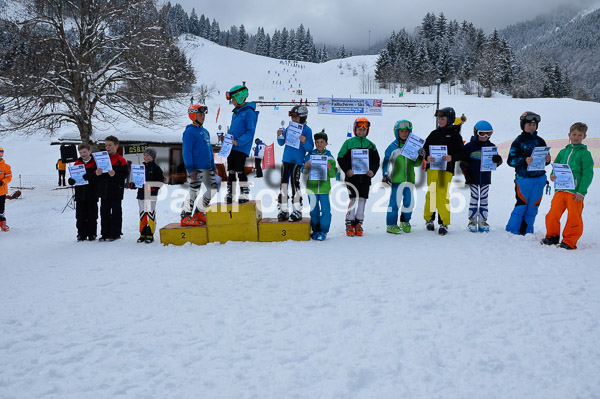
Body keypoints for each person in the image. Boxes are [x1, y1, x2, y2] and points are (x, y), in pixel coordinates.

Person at [541, 122, 594, 249]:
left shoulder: (585, 154)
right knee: (553, 214)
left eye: (579, 135)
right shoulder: (563, 152)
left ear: (584, 136)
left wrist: (581, 191)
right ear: (569, 135)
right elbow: (556, 166)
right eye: (574, 134)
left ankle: (569, 241)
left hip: (574, 192)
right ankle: (552, 236)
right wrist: (553, 175)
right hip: (560, 190)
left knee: (574, 216)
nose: (576, 137)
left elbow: (588, 174)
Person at [506, 111, 551, 235]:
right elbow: (510, 161)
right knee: (521, 205)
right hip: (524, 178)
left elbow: (545, 159)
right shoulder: (518, 141)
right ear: (523, 125)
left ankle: (527, 230)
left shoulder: (540, 141)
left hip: (539, 178)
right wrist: (524, 161)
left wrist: (547, 160)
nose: (532, 127)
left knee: (533, 206)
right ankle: (513, 230)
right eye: (529, 124)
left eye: (534, 124)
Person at [423, 107, 465, 235]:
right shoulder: (434, 134)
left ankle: (443, 222)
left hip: (446, 169)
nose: (440, 121)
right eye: (439, 118)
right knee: (432, 193)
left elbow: (462, 153)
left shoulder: (455, 135)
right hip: (433, 168)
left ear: (450, 119)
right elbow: (424, 149)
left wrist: (452, 157)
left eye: (442, 118)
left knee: (442, 194)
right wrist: (426, 157)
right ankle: (429, 219)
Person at [337, 117, 380, 237]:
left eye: (364, 130)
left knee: (362, 200)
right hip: (352, 178)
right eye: (359, 129)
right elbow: (340, 157)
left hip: (365, 178)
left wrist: (372, 170)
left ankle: (358, 222)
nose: (361, 132)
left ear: (367, 131)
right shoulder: (349, 143)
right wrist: (347, 170)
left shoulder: (371, 145)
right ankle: (349, 223)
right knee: (354, 199)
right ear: (355, 129)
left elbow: (376, 161)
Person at [382, 120, 425, 234]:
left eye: (407, 131)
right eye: (402, 131)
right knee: (394, 203)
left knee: (409, 202)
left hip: (409, 179)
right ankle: (391, 224)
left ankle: (405, 221)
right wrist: (385, 174)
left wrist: (420, 157)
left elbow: (416, 164)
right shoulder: (393, 147)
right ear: (397, 132)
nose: (404, 133)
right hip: (396, 180)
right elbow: (386, 162)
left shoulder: (412, 146)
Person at [460, 120, 503, 233]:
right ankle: (472, 220)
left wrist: (498, 161)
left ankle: (483, 220)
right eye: (482, 133)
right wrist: (465, 171)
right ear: (476, 133)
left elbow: (495, 163)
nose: (485, 136)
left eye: (488, 134)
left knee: (484, 198)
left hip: (485, 178)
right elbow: (463, 161)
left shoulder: (491, 147)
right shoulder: (469, 147)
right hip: (472, 177)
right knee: (474, 197)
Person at [180, 104, 218, 226]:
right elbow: (186, 151)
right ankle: (185, 216)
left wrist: (214, 166)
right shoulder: (189, 132)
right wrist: (190, 169)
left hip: (207, 168)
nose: (203, 117)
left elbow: (209, 151)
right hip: (195, 169)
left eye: (203, 114)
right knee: (194, 191)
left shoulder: (205, 131)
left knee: (213, 189)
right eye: (200, 114)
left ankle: (199, 211)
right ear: (193, 115)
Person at [276, 105, 314, 221]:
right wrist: (280, 135)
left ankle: (297, 209)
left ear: (302, 118)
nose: (293, 120)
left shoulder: (307, 130)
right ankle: (283, 209)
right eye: (292, 117)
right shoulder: (289, 127)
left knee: (294, 184)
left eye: (296, 117)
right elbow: (281, 143)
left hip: (297, 162)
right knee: (283, 184)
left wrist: (304, 141)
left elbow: (310, 148)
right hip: (286, 159)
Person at [225, 85, 259, 204]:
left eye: (233, 99)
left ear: (239, 98)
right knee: (231, 170)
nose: (232, 102)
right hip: (232, 146)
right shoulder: (236, 112)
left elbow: (250, 132)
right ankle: (230, 192)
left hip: (241, 147)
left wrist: (238, 141)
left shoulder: (249, 113)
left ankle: (244, 192)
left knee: (240, 169)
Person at [303, 130, 337, 240]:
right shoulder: (310, 155)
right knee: (314, 211)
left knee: (326, 210)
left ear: (326, 143)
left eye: (322, 142)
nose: (319, 144)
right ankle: (315, 230)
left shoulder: (330, 157)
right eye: (317, 142)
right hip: (312, 188)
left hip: (324, 189)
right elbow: (304, 172)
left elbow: (333, 175)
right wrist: (306, 166)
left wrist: (330, 168)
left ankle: (323, 230)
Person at [95, 135, 128, 241]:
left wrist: (115, 175)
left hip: (116, 191)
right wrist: (97, 173)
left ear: (116, 146)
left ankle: (115, 233)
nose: (107, 147)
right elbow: (97, 176)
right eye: (106, 145)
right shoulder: (101, 159)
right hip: (104, 191)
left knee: (116, 213)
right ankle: (104, 233)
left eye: (110, 145)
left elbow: (124, 176)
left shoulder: (121, 160)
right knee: (104, 212)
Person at [67, 143, 98, 241]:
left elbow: (98, 177)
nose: (83, 154)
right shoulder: (77, 163)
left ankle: (92, 234)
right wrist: (71, 180)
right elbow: (74, 177)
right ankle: (81, 233)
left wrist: (90, 176)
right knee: (80, 216)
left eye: (84, 152)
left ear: (89, 151)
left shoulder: (95, 162)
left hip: (91, 193)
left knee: (92, 215)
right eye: (80, 152)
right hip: (80, 194)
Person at [134, 148, 164, 243]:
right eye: (145, 155)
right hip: (141, 194)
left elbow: (160, 181)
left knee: (150, 213)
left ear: (153, 157)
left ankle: (150, 233)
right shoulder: (141, 167)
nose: (146, 157)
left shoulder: (156, 168)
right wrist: (133, 184)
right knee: (142, 213)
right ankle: (142, 233)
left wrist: (154, 187)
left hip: (150, 193)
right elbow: (136, 179)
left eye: (148, 155)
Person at [0, 147, 13, 232]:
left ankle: (2, 223)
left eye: (1, 153)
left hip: (2, 190)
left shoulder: (6, 166)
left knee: (1, 208)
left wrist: (3, 181)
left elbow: (9, 177)